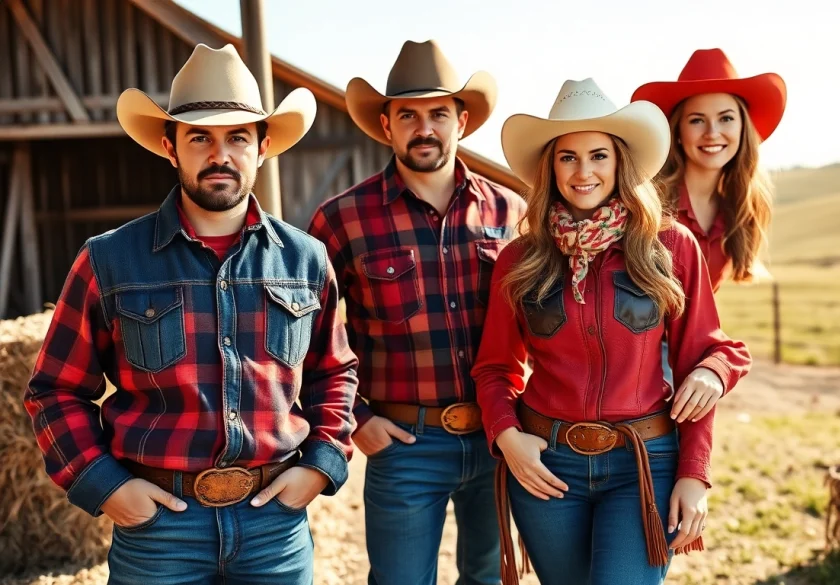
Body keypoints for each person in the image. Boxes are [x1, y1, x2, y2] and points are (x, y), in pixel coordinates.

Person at [23, 43, 357, 585]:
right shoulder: (108, 260)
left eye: (237, 137)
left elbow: (335, 372)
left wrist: (321, 465)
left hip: (274, 524)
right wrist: (105, 484)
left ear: (263, 147)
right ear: (169, 147)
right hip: (159, 530)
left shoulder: (305, 259)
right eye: (200, 137)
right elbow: (53, 390)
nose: (219, 154)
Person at [471, 78, 752, 585]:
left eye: (598, 155)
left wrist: (694, 473)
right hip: (546, 463)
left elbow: (701, 356)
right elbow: (495, 367)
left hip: (644, 463)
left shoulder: (670, 246)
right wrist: (507, 437)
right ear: (549, 167)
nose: (584, 172)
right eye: (568, 158)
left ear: (620, 162)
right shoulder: (521, 258)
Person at [306, 40, 527, 585]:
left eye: (438, 114)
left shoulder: (513, 211)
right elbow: (306, 336)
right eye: (408, 115)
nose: (424, 128)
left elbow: (541, 326)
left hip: (501, 438)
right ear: (386, 125)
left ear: (462, 121)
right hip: (405, 444)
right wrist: (356, 419)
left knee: (491, 577)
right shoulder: (342, 220)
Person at [631, 48, 787, 292]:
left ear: (742, 129)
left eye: (725, 118)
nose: (712, 133)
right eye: (696, 120)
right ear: (678, 132)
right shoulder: (646, 204)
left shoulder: (740, 209)